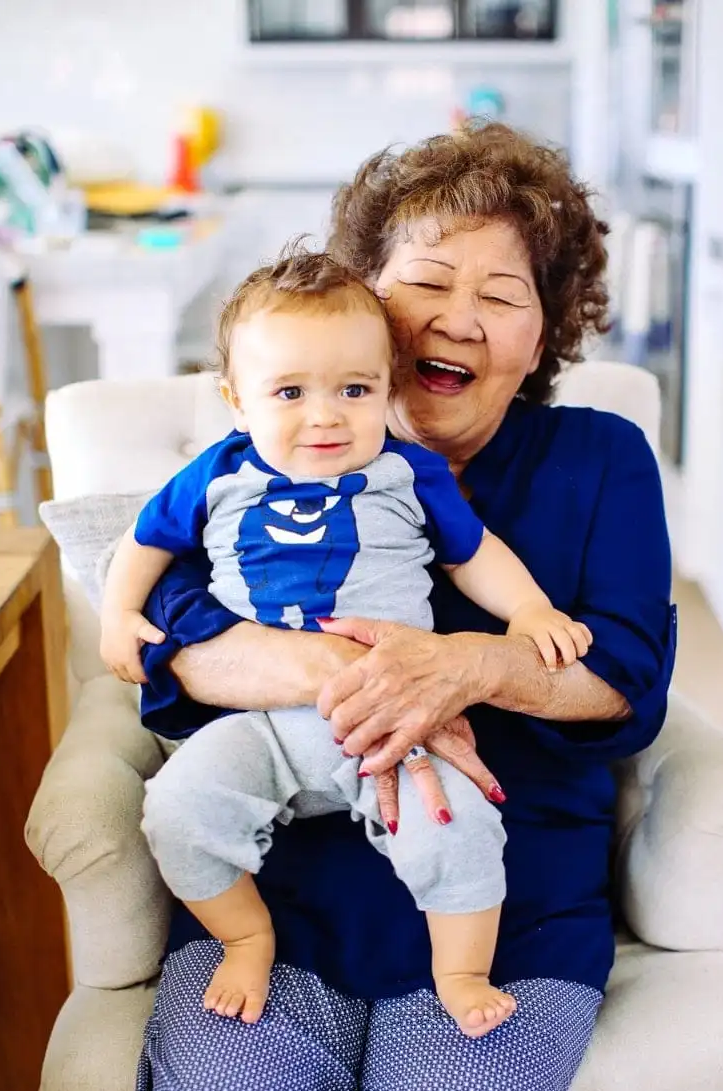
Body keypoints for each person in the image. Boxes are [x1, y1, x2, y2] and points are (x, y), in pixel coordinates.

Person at [133, 122, 676, 1091]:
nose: (457, 319)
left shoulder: (597, 457)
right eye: (425, 280)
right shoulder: (261, 452)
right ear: (365, 301)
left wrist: (468, 667)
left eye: (502, 297)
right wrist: (344, 679)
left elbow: (624, 676)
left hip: (505, 908)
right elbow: (172, 643)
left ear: (541, 338)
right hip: (282, 904)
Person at [99, 248, 591, 1038]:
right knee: (177, 810)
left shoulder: (410, 472)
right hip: (256, 725)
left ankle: (459, 970)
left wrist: (530, 612)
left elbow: (474, 554)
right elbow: (144, 542)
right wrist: (118, 613)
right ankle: (245, 935)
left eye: (354, 391)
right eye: (289, 392)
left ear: (386, 392)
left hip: (396, 722)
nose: (325, 415)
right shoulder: (217, 474)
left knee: (459, 827)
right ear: (237, 400)